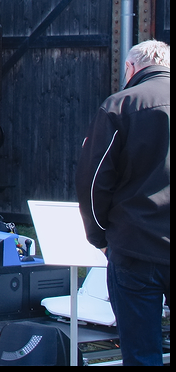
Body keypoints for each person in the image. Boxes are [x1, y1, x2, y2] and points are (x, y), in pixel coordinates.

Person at [75, 39, 170, 366]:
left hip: (134, 247)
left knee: (142, 352)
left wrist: (99, 237)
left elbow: (93, 181)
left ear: (131, 68)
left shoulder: (121, 106)